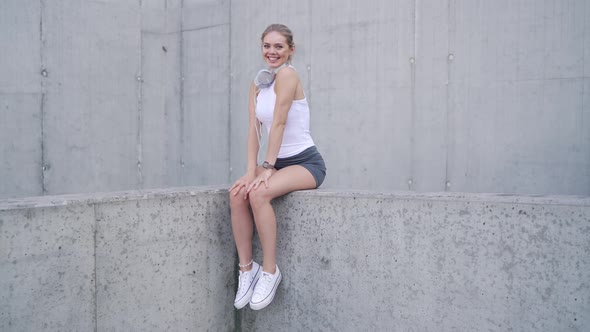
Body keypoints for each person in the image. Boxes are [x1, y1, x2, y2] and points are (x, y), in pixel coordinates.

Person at [229, 23, 326, 311]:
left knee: (259, 194)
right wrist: (251, 170)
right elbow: (253, 128)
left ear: (291, 50)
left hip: (305, 162)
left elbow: (280, 121)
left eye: (279, 46)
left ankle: (270, 271)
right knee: (238, 192)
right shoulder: (259, 82)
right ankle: (247, 270)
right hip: (275, 162)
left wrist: (268, 167)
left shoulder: (288, 75)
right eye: (267, 46)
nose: (272, 52)